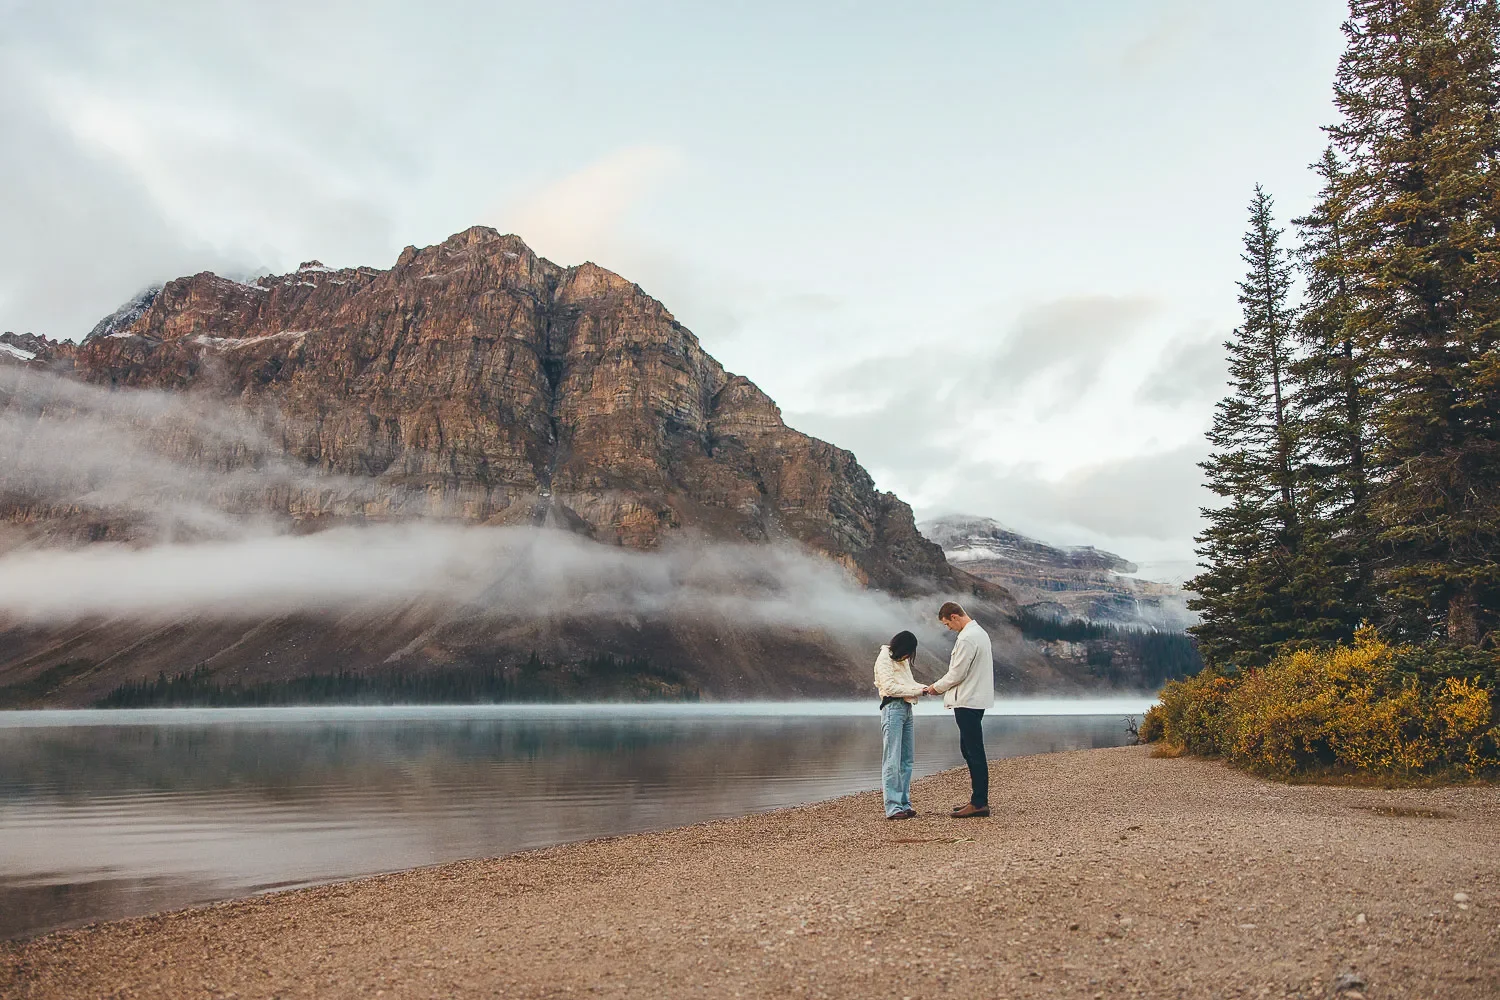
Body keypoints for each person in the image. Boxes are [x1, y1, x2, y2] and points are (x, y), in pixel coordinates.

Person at [923, 602, 994, 818]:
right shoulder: (979, 633)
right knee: (970, 749)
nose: (948, 628)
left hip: (967, 700)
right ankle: (977, 799)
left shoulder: (967, 638)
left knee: (973, 751)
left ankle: (979, 802)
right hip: (975, 699)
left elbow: (957, 673)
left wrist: (935, 688)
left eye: (947, 624)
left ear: (955, 617)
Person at [873, 629, 926, 820]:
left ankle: (904, 803)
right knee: (892, 758)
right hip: (892, 709)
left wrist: (925, 688)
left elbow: (908, 684)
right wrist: (922, 691)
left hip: (906, 707)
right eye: (908, 652)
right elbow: (889, 687)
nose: (908, 657)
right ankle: (893, 807)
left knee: (906, 758)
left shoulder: (901, 661)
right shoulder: (884, 659)